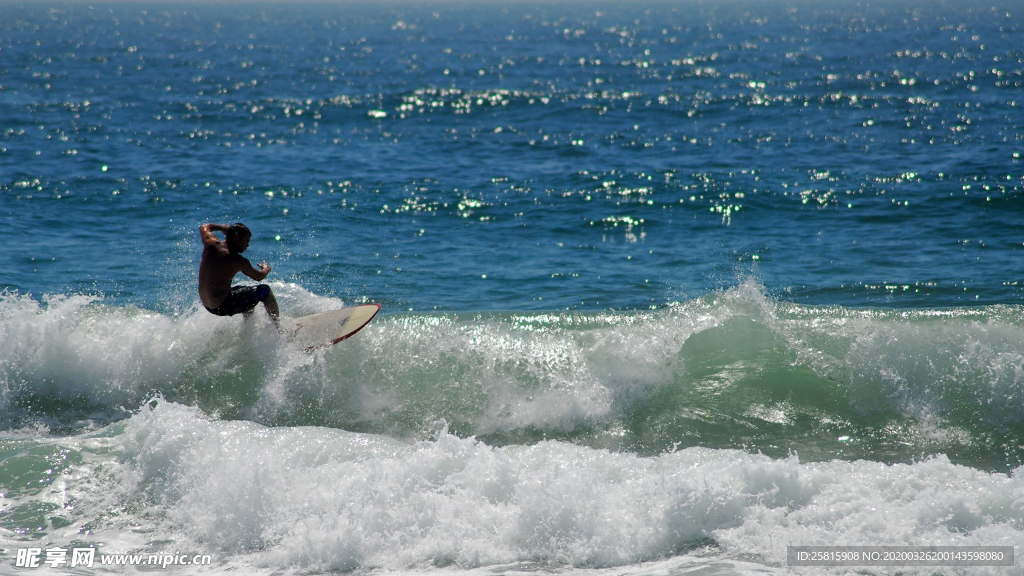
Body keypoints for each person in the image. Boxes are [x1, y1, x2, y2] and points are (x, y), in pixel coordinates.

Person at [198, 222, 280, 326]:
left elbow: (204, 227)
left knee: (247, 292)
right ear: (236, 237)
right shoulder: (238, 260)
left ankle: (247, 329)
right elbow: (258, 277)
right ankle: (279, 329)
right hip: (222, 306)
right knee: (264, 290)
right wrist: (266, 269)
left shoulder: (210, 243)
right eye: (246, 240)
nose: (248, 245)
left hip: (206, 304)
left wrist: (223, 228)